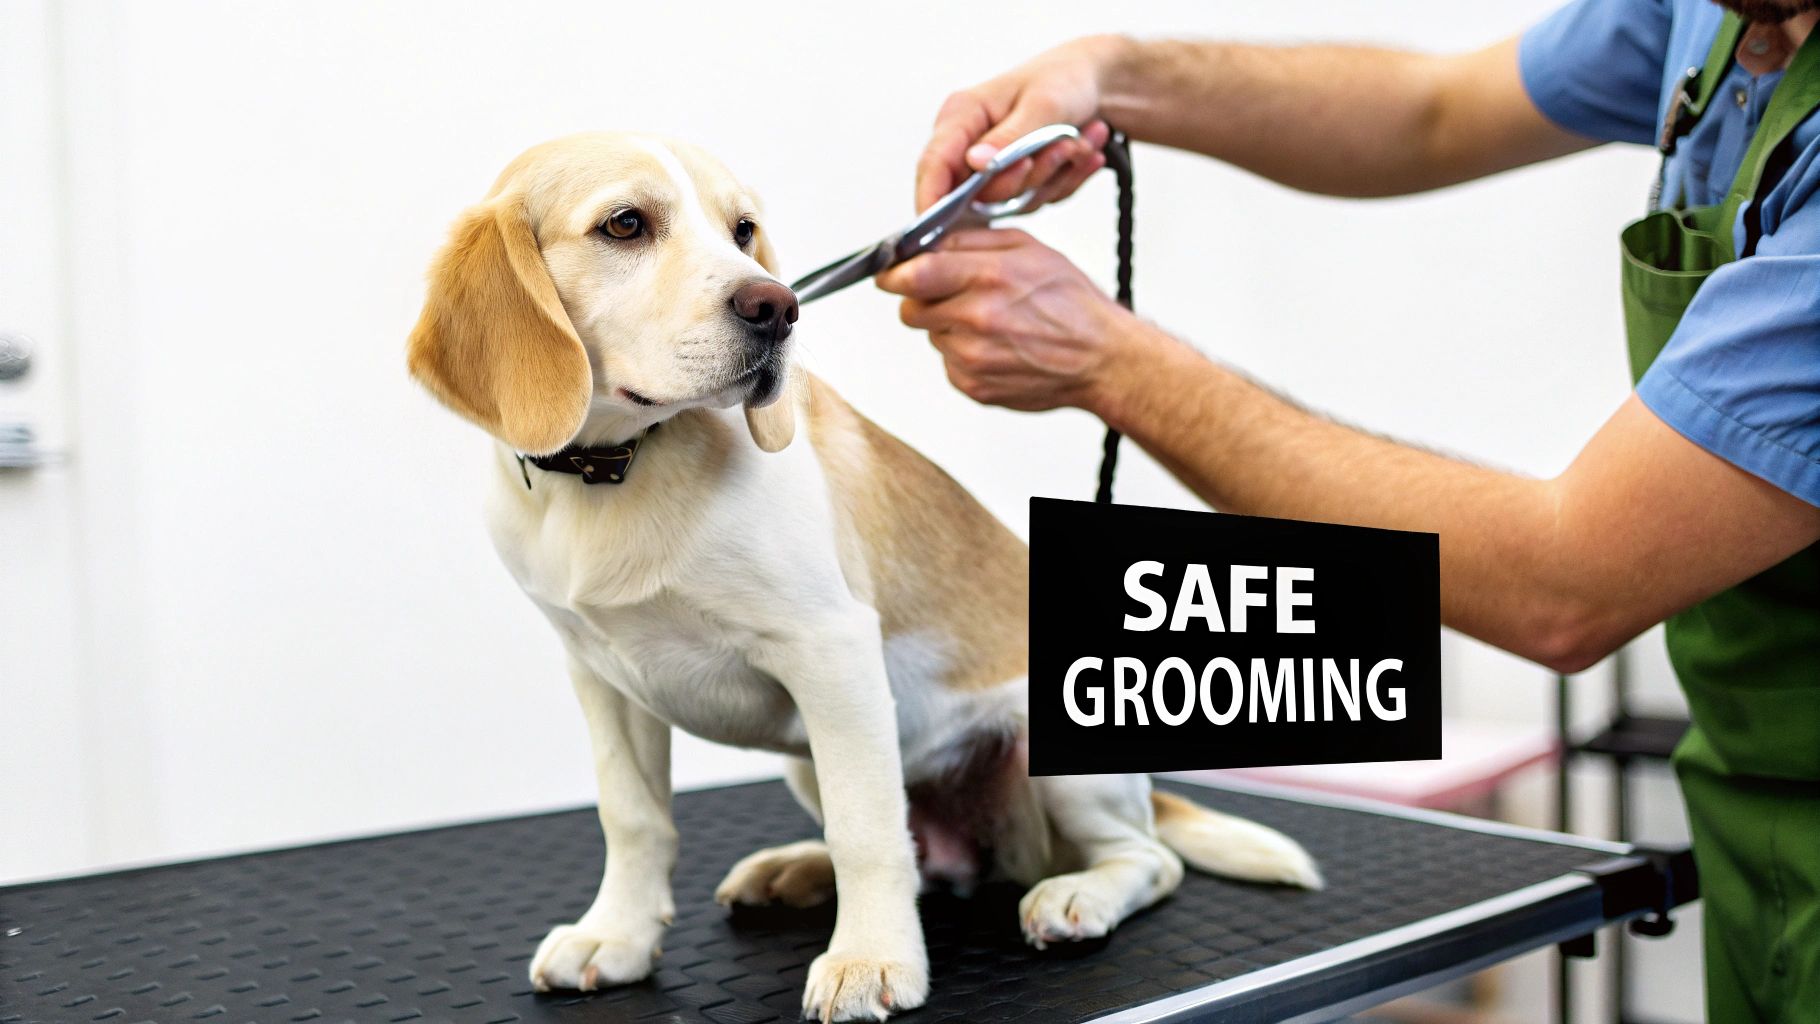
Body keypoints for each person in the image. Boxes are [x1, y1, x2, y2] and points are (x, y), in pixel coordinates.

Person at [874, 2, 1820, 1021]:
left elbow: (1565, 581)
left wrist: (1108, 364)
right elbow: (1431, 110)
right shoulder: (1715, 13)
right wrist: (1108, 72)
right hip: (1748, 815)